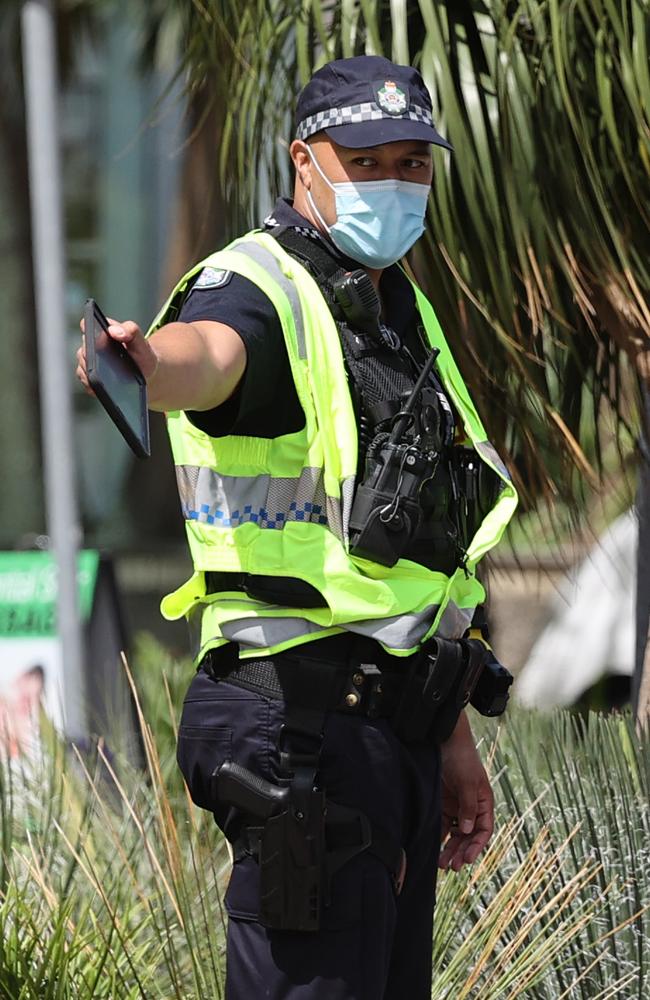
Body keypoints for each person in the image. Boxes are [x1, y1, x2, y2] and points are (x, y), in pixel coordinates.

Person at [77, 55, 517, 1000]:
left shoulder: (397, 310)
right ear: (302, 161)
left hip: (383, 731)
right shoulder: (258, 285)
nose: (395, 182)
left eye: (414, 161)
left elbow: (419, 558)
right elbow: (210, 358)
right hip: (297, 728)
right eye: (367, 160)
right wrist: (149, 365)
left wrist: (448, 737)